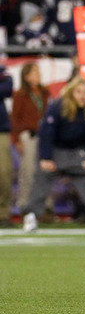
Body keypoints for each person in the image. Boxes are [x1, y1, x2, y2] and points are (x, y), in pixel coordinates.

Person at [21, 77, 85, 232]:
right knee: (42, 173)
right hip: (55, 149)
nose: (83, 96)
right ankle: (31, 215)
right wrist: (46, 158)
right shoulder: (57, 106)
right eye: (78, 92)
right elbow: (47, 133)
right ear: (71, 93)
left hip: (78, 151)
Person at [10, 63, 50, 212]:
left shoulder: (44, 92)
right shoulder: (21, 94)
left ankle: (45, 207)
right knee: (27, 172)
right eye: (34, 72)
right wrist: (16, 140)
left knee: (45, 171)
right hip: (28, 136)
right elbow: (15, 118)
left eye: (38, 72)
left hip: (44, 136)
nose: (38, 75)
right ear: (26, 77)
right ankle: (24, 205)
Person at [0, 65, 12, 227]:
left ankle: (2, 214)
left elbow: (6, 90)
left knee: (4, 173)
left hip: (0, 130)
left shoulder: (3, 71)